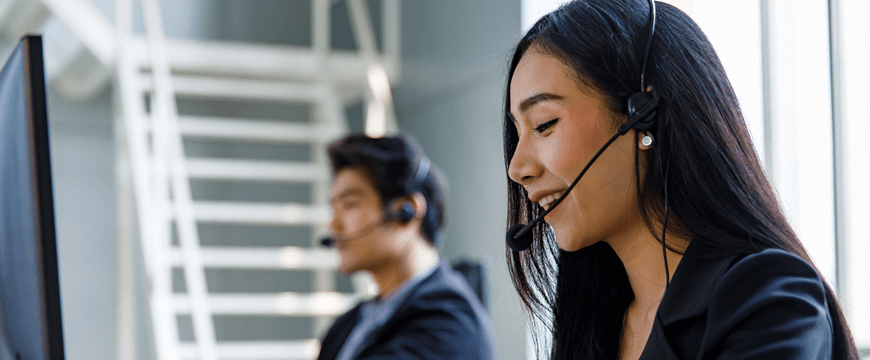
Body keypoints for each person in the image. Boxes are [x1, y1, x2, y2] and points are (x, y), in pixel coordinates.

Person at [502, 1, 859, 359]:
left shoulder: (767, 300)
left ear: (646, 113)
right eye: (517, 134)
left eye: (544, 124)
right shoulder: (594, 323)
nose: (517, 168)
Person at [317, 134, 495, 360]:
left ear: (406, 211)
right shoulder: (348, 324)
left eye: (350, 205)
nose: (333, 225)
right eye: (334, 208)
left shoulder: (449, 327)